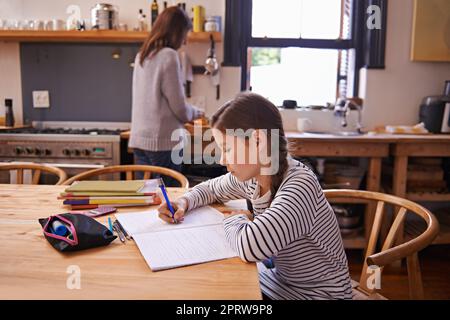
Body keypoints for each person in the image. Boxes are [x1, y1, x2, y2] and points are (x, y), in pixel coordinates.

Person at [158, 92, 353, 300]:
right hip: (283, 283)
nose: (223, 159)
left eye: (228, 148)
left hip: (320, 295)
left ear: (258, 140)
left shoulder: (300, 186)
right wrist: (183, 201)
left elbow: (251, 247)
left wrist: (234, 218)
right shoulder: (254, 177)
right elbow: (211, 188)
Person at [129, 6, 203, 186]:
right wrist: (197, 112)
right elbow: (180, 109)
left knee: (145, 199)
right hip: (163, 143)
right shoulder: (169, 56)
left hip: (140, 140)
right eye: (184, 33)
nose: (185, 40)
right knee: (169, 198)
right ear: (176, 32)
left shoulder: (142, 56)